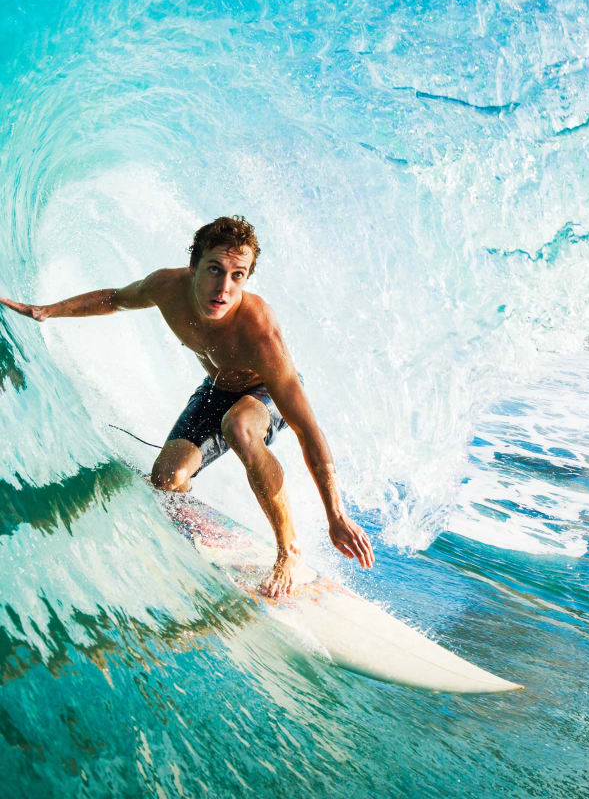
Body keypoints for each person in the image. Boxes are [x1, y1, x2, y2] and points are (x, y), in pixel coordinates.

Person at [0, 215, 374, 596]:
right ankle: (192, 525)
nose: (224, 288)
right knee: (166, 478)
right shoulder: (167, 287)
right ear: (193, 265)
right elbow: (115, 299)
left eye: (237, 275)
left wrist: (336, 515)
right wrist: (46, 311)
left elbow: (307, 428)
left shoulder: (261, 333)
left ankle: (288, 550)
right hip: (216, 389)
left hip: (262, 396)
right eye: (215, 270)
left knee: (240, 427)